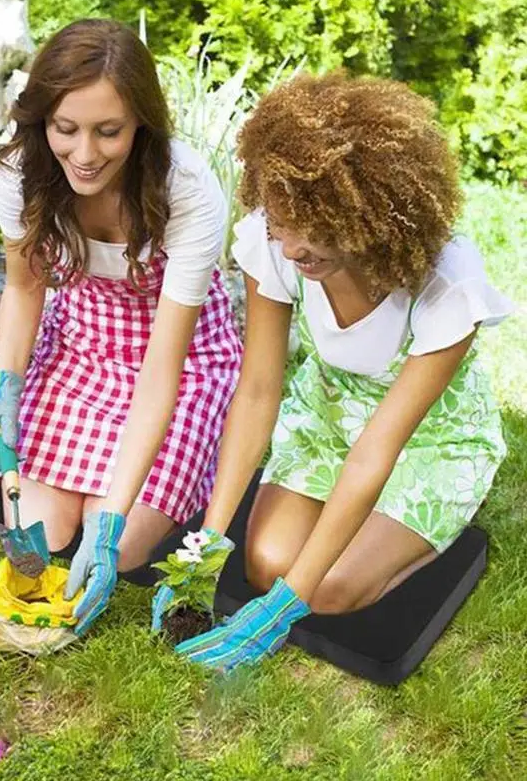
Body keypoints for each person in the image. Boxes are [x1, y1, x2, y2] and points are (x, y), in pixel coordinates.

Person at [160, 71, 513, 672]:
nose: (293, 248)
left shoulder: (445, 281)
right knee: (266, 563)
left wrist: (288, 604)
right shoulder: (273, 244)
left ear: (365, 210)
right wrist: (206, 542)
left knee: (321, 589)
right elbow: (259, 392)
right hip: (329, 409)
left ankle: (431, 524)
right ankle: (354, 535)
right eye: (280, 219)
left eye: (315, 227)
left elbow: (380, 449)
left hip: (429, 437)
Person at [0, 19, 242, 636]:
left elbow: (160, 371)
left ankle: (148, 499)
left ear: (141, 125)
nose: (86, 154)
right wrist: (5, 387)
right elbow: (24, 287)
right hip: (81, 346)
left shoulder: (188, 192)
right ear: (42, 119)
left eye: (109, 131)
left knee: (115, 547)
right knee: (40, 532)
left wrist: (114, 519)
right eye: (66, 129)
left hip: (178, 361)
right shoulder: (15, 169)